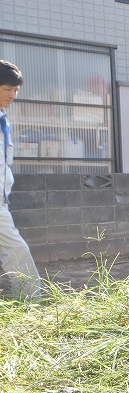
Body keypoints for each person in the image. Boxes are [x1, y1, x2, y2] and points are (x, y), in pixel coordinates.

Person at [0, 60, 41, 300]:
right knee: (16, 250)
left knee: (13, 249)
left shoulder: (3, 121)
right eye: (7, 89)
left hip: (1, 200)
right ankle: (32, 303)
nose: (12, 95)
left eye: (15, 90)